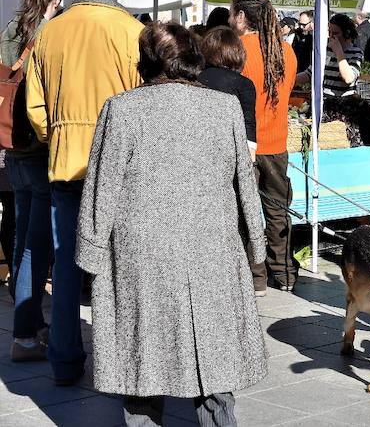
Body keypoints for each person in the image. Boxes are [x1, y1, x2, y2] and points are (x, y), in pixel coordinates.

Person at [76, 22, 267, 426]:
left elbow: (101, 187)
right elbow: (244, 181)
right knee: (213, 366)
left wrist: (89, 254)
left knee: (142, 361)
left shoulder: (122, 108)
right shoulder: (224, 107)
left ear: (146, 61)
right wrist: (256, 243)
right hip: (210, 246)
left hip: (141, 252)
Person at [25, 0, 143, 385]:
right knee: (119, 267)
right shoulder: (135, 34)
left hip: (65, 164)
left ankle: (65, 361)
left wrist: (57, 136)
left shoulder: (50, 33)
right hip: (123, 170)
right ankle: (122, 361)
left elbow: (36, 112)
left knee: (67, 266)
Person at [1, 0, 64, 362]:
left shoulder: (10, 29)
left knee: (23, 237)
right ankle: (25, 334)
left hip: (12, 145)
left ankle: (31, 326)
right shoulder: (51, 34)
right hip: (40, 146)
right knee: (33, 250)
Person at [232, 0, 298, 293]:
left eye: (233, 13)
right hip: (277, 143)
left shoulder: (239, 50)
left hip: (246, 144)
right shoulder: (286, 51)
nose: (231, 18)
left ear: (242, 17)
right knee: (277, 212)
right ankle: (284, 274)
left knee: (246, 214)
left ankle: (255, 277)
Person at [198, 26, 257, 156]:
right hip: (229, 151)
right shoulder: (244, 84)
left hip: (199, 148)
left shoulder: (194, 79)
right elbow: (248, 123)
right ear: (237, 52)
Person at [295, 13, 363, 98]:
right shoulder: (325, 50)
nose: (330, 36)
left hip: (343, 103)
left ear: (347, 33)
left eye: (335, 33)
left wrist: (338, 52)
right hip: (323, 101)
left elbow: (348, 78)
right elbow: (309, 73)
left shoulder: (356, 53)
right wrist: (291, 79)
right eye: (329, 32)